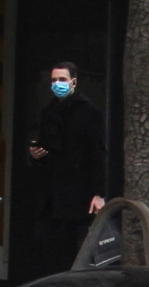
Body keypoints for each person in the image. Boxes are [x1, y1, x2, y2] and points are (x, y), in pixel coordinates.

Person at [26, 62, 106, 270]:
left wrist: (98, 193)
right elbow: (46, 149)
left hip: (78, 193)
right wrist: (36, 156)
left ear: (74, 82)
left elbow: (97, 155)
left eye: (62, 79)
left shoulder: (89, 114)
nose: (57, 84)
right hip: (52, 193)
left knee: (76, 248)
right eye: (54, 80)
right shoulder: (47, 113)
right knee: (50, 248)